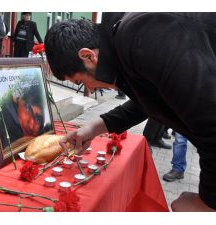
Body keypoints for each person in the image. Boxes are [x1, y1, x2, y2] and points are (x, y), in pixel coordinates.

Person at [44, 13, 216, 211]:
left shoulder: (143, 34)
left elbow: (211, 123)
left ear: (88, 56)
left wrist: (206, 204)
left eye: (81, 82)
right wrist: (92, 129)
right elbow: (147, 100)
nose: (89, 89)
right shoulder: (126, 47)